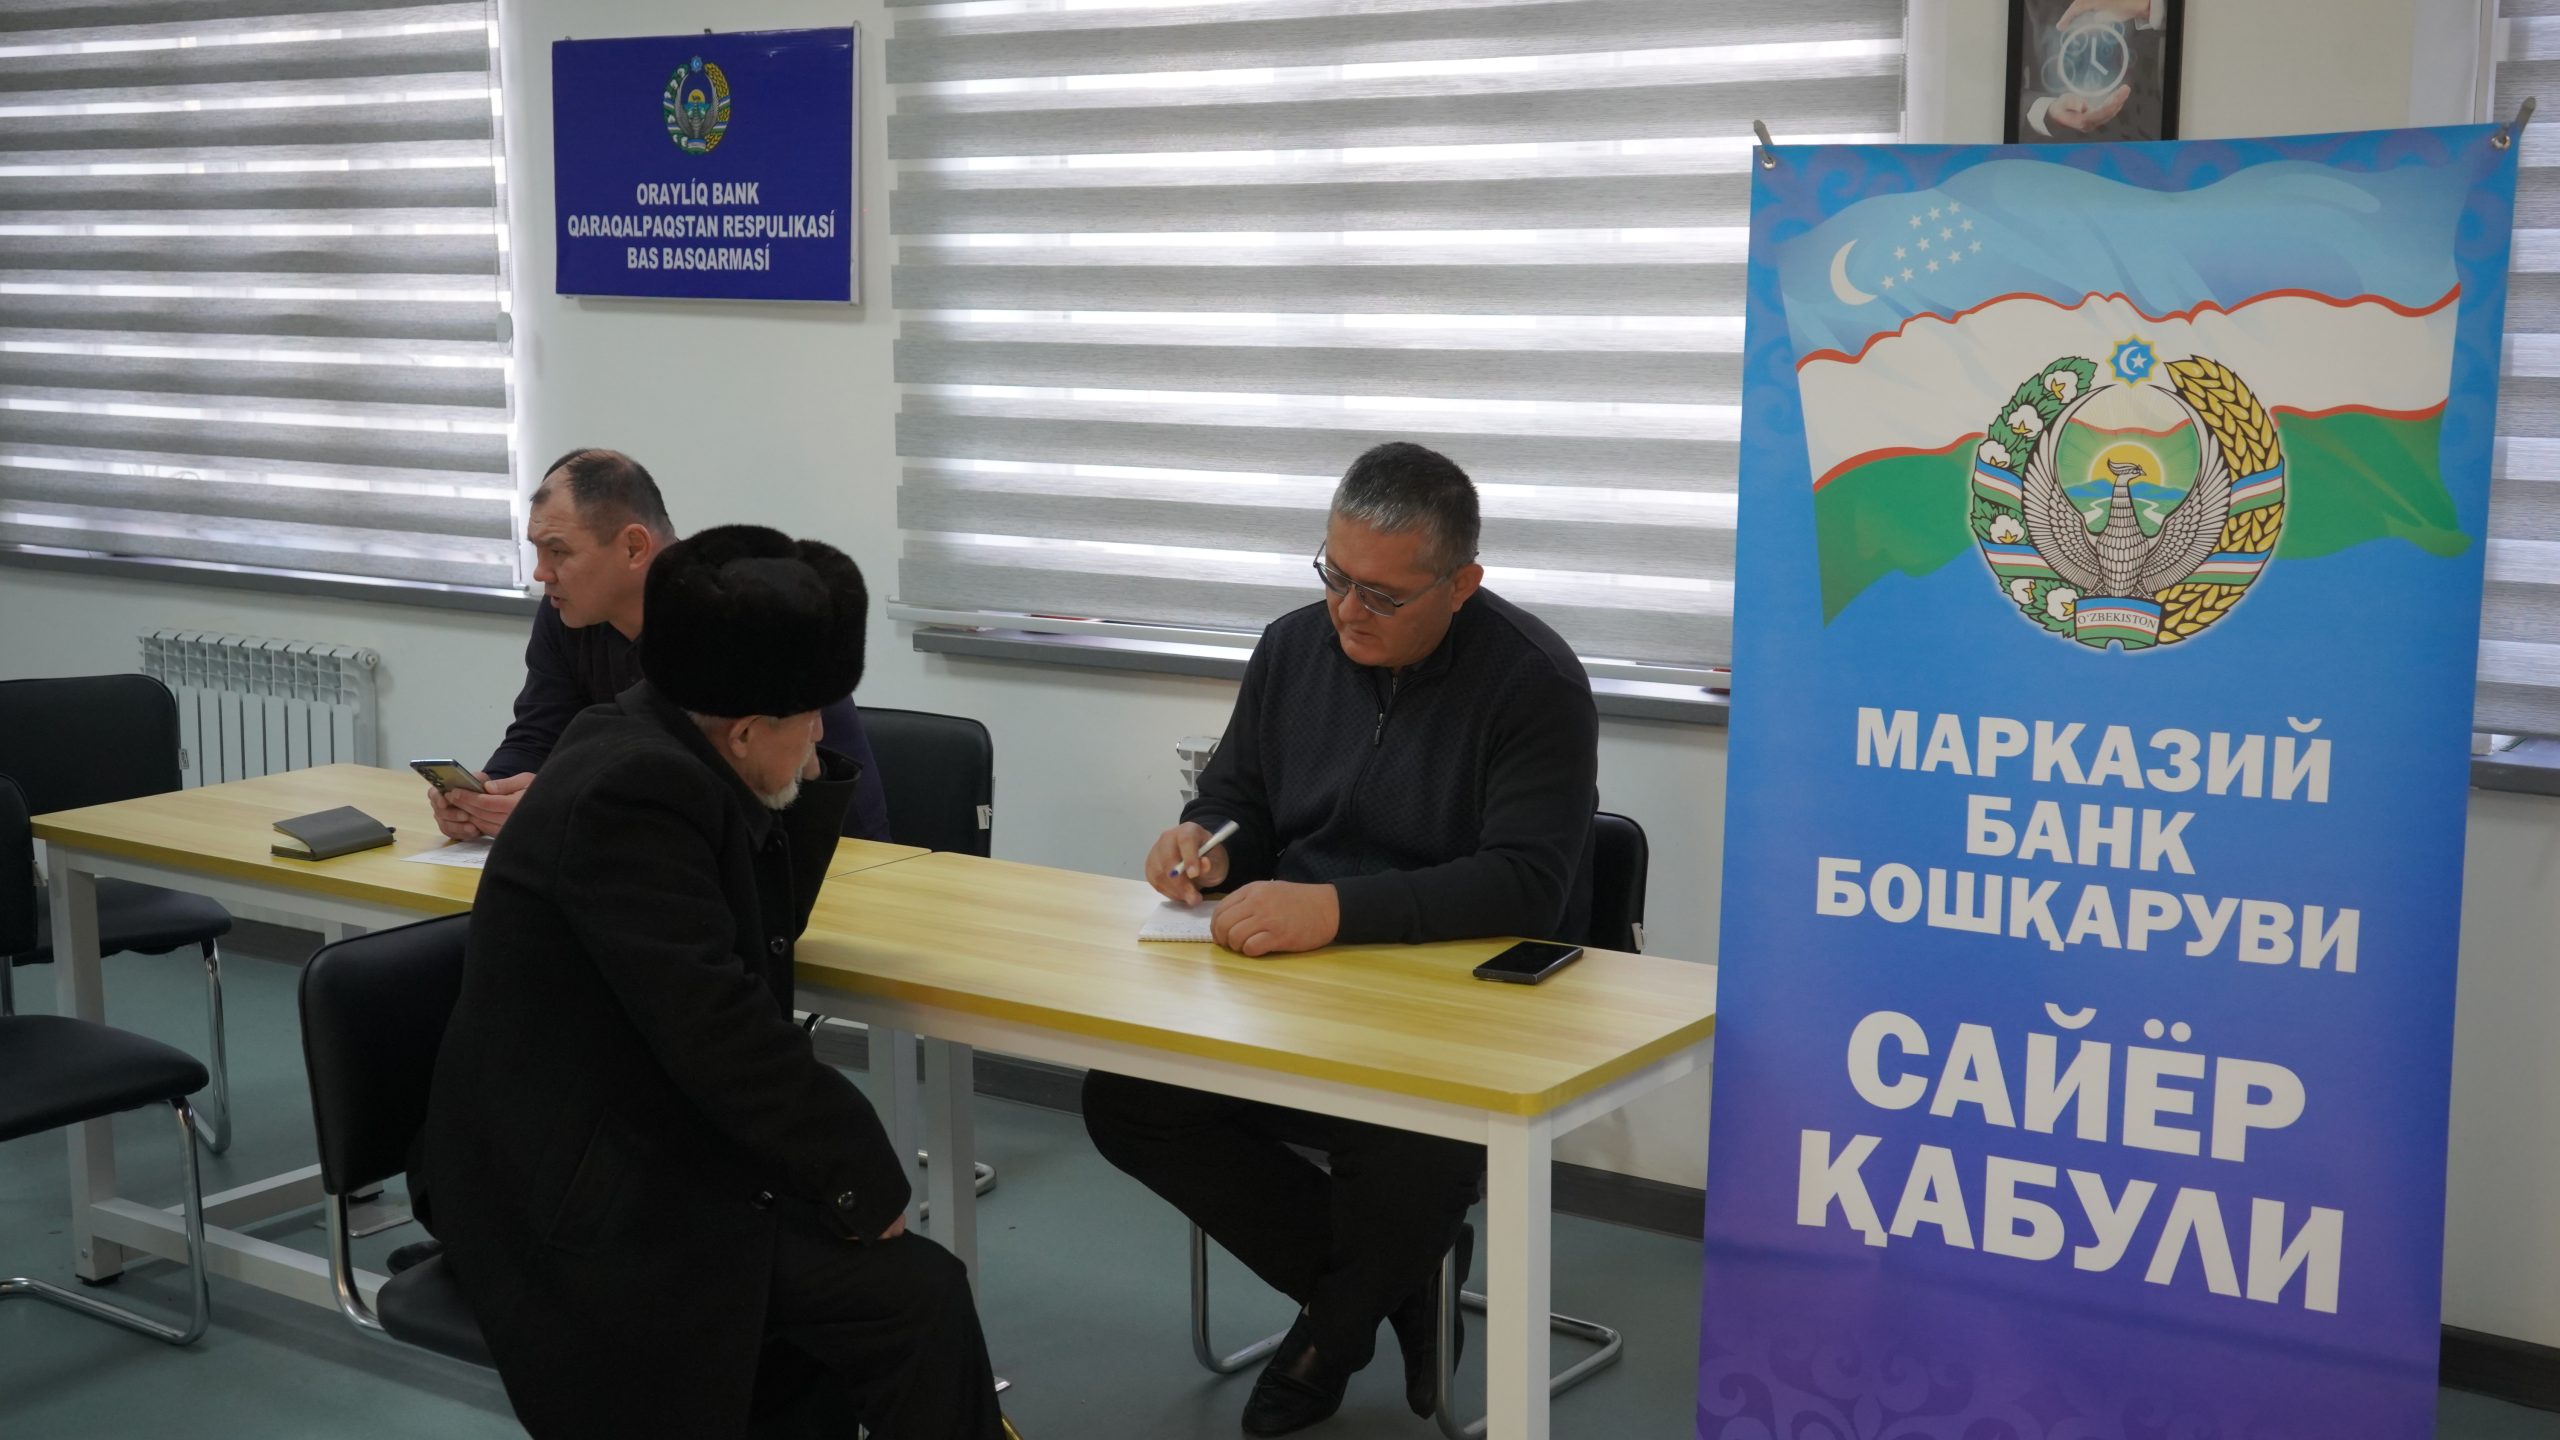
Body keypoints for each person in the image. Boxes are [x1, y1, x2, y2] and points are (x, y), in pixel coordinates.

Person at [413, 526, 1013, 1440]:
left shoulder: (660, 744)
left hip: (641, 1133)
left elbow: (760, 933)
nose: (822, 737)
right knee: (913, 1298)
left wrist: (799, 775)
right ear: (743, 731)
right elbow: (722, 1030)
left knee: (856, 1305)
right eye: (807, 720)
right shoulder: (631, 797)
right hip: (573, 1189)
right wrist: (862, 1180)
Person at [1081, 442, 1599, 1435]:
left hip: (1463, 994)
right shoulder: (1291, 648)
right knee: (1129, 1097)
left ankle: (1333, 1332)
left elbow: (1528, 885)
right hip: (1300, 982)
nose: (1346, 612)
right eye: (1333, 576)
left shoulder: (1531, 682)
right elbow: (1239, 798)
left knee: (1408, 1137)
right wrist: (1206, 844)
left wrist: (1334, 911)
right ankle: (1403, 1286)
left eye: (1382, 596)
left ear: (1461, 585)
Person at [428, 448, 891, 845]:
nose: (540, 573)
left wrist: (558, 803)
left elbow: (728, 794)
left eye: (559, 552)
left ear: (633, 548)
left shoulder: (747, 617)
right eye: (537, 549)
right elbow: (537, 736)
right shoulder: (567, 611)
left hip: (825, 853)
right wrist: (484, 797)